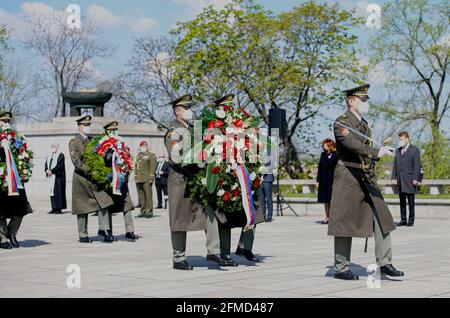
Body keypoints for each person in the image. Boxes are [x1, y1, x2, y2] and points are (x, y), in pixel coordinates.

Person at [329, 84, 404, 280]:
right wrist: (376, 152)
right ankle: (341, 267)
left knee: (382, 217)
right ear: (351, 101)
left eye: (367, 99)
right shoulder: (341, 123)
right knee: (344, 222)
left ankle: (385, 262)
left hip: (366, 176)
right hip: (348, 175)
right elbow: (352, 145)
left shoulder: (365, 125)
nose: (366, 103)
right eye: (363, 100)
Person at [165, 94, 225, 270]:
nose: (190, 111)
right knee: (179, 218)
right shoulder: (173, 132)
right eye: (186, 108)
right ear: (177, 111)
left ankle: (213, 251)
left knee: (210, 211)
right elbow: (176, 157)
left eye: (190, 107)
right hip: (180, 180)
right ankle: (178, 258)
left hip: (197, 179)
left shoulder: (193, 130)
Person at [69, 115, 114, 243]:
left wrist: (109, 153)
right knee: (82, 207)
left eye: (89, 125)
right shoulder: (74, 142)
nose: (88, 127)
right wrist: (90, 170)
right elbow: (76, 161)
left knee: (104, 201)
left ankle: (105, 229)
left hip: (95, 179)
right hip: (81, 179)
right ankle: (83, 234)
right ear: (79, 126)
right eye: (85, 125)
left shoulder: (93, 141)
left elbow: (100, 156)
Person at [0, 111, 33, 249]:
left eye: (8, 122)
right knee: (0, 211)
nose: (6, 124)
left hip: (15, 180)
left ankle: (12, 232)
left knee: (22, 208)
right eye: (3, 121)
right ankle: (2, 237)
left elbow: (24, 155)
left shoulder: (16, 138)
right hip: (2, 179)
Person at [102, 121, 137, 240]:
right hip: (110, 179)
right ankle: (108, 231)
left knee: (126, 204)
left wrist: (125, 159)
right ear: (107, 131)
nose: (114, 132)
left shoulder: (121, 143)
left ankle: (130, 230)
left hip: (121, 179)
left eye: (116, 130)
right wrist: (111, 152)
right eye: (112, 130)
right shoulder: (103, 144)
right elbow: (104, 159)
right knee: (109, 205)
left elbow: (128, 157)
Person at [391, 131, 421, 227]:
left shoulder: (415, 150)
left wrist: (416, 178)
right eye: (399, 139)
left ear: (407, 138)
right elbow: (395, 165)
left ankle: (411, 220)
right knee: (402, 201)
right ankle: (403, 220)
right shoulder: (398, 150)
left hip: (410, 179)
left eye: (401, 139)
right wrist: (393, 177)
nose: (400, 141)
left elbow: (417, 165)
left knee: (411, 201)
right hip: (400, 179)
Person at [317, 139, 338, 224]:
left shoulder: (335, 155)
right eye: (323, 145)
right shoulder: (323, 154)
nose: (323, 146)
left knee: (331, 199)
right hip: (323, 179)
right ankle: (327, 217)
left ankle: (333, 217)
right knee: (325, 200)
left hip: (331, 179)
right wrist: (318, 180)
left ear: (330, 145)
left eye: (325, 145)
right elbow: (320, 168)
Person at [135, 141, 157, 218]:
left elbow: (153, 167)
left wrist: (151, 177)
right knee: (141, 197)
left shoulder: (151, 155)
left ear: (147, 146)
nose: (142, 147)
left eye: (144, 146)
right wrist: (135, 176)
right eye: (141, 146)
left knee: (148, 196)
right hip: (139, 179)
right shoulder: (139, 155)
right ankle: (143, 210)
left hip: (147, 179)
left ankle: (149, 211)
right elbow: (136, 167)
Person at [45, 143, 67, 215]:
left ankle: (59, 208)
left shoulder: (61, 155)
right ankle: (54, 207)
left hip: (58, 177)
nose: (53, 148)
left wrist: (52, 171)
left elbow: (60, 166)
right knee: (52, 192)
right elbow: (46, 164)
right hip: (51, 177)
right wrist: (47, 170)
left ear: (58, 147)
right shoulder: (49, 155)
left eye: (54, 146)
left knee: (58, 192)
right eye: (52, 146)